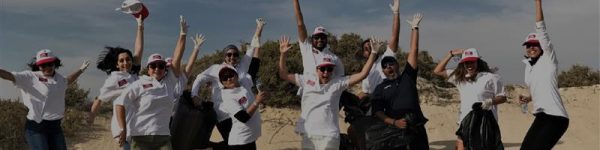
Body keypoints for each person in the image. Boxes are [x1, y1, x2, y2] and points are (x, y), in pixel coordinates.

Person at [278, 35, 382, 150]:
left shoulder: (337, 83)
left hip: (330, 135)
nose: (326, 72)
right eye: (322, 69)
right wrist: (283, 54)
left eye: (329, 69)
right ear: (317, 70)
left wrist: (373, 53)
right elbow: (283, 74)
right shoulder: (307, 80)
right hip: (308, 134)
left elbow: (363, 74)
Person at [114, 15, 188, 150]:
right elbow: (120, 104)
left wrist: (182, 35)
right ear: (148, 69)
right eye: (153, 66)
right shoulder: (139, 84)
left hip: (163, 138)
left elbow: (177, 58)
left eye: (161, 66)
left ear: (165, 68)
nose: (157, 69)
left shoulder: (169, 82)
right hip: (141, 138)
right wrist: (122, 129)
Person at [190, 18, 265, 147]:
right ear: (224, 56)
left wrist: (258, 29)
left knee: (246, 141)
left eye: (235, 54)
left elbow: (252, 47)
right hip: (224, 115)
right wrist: (194, 94)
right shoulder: (216, 69)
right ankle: (212, 146)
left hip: (243, 110)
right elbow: (200, 77)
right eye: (229, 54)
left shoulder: (242, 66)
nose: (232, 57)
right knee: (235, 143)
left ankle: (212, 146)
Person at [0, 49, 89, 150]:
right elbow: (9, 76)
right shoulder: (30, 77)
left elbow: (69, 79)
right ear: (38, 66)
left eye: (49, 64)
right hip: (36, 127)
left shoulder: (60, 79)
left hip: (55, 127)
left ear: (55, 63)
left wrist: (81, 70)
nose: (47, 68)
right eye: (43, 65)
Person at [366, 13, 428, 150]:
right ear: (383, 71)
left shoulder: (408, 76)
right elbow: (377, 111)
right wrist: (394, 122)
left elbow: (414, 50)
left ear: (397, 65)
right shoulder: (380, 88)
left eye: (391, 64)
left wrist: (415, 28)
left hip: (416, 128)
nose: (388, 67)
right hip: (394, 131)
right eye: (385, 66)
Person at [87, 16, 145, 150]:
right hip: (123, 129)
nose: (126, 62)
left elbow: (139, 50)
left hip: (139, 128)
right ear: (117, 65)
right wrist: (91, 116)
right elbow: (100, 99)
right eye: (122, 61)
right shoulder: (114, 79)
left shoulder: (134, 74)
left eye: (128, 59)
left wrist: (140, 27)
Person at [433, 48, 507, 150]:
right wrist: (451, 54)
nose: (469, 65)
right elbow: (438, 71)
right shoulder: (459, 78)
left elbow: (503, 97)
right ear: (463, 64)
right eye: (466, 62)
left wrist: (490, 102)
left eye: (472, 62)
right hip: (464, 123)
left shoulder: (491, 77)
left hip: (484, 125)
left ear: (477, 61)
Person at [518, 0, 569, 149]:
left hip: (556, 117)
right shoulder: (528, 67)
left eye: (535, 45)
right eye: (528, 45)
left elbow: (541, 28)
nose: (531, 48)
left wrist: (537, 2)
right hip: (540, 116)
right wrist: (529, 98)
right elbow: (540, 88)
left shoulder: (549, 58)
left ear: (541, 46)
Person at [291, 0, 345, 96]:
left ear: (327, 39)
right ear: (312, 39)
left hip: (326, 96)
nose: (320, 40)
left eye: (323, 37)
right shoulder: (306, 48)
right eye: (317, 37)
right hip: (308, 93)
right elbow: (300, 23)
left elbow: (341, 80)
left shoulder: (334, 58)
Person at [219, 67, 266, 150]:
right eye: (224, 78)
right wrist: (257, 101)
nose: (229, 79)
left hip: (250, 139)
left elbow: (253, 65)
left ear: (237, 76)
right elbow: (243, 117)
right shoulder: (228, 96)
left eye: (230, 75)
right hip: (240, 142)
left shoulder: (243, 86)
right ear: (222, 83)